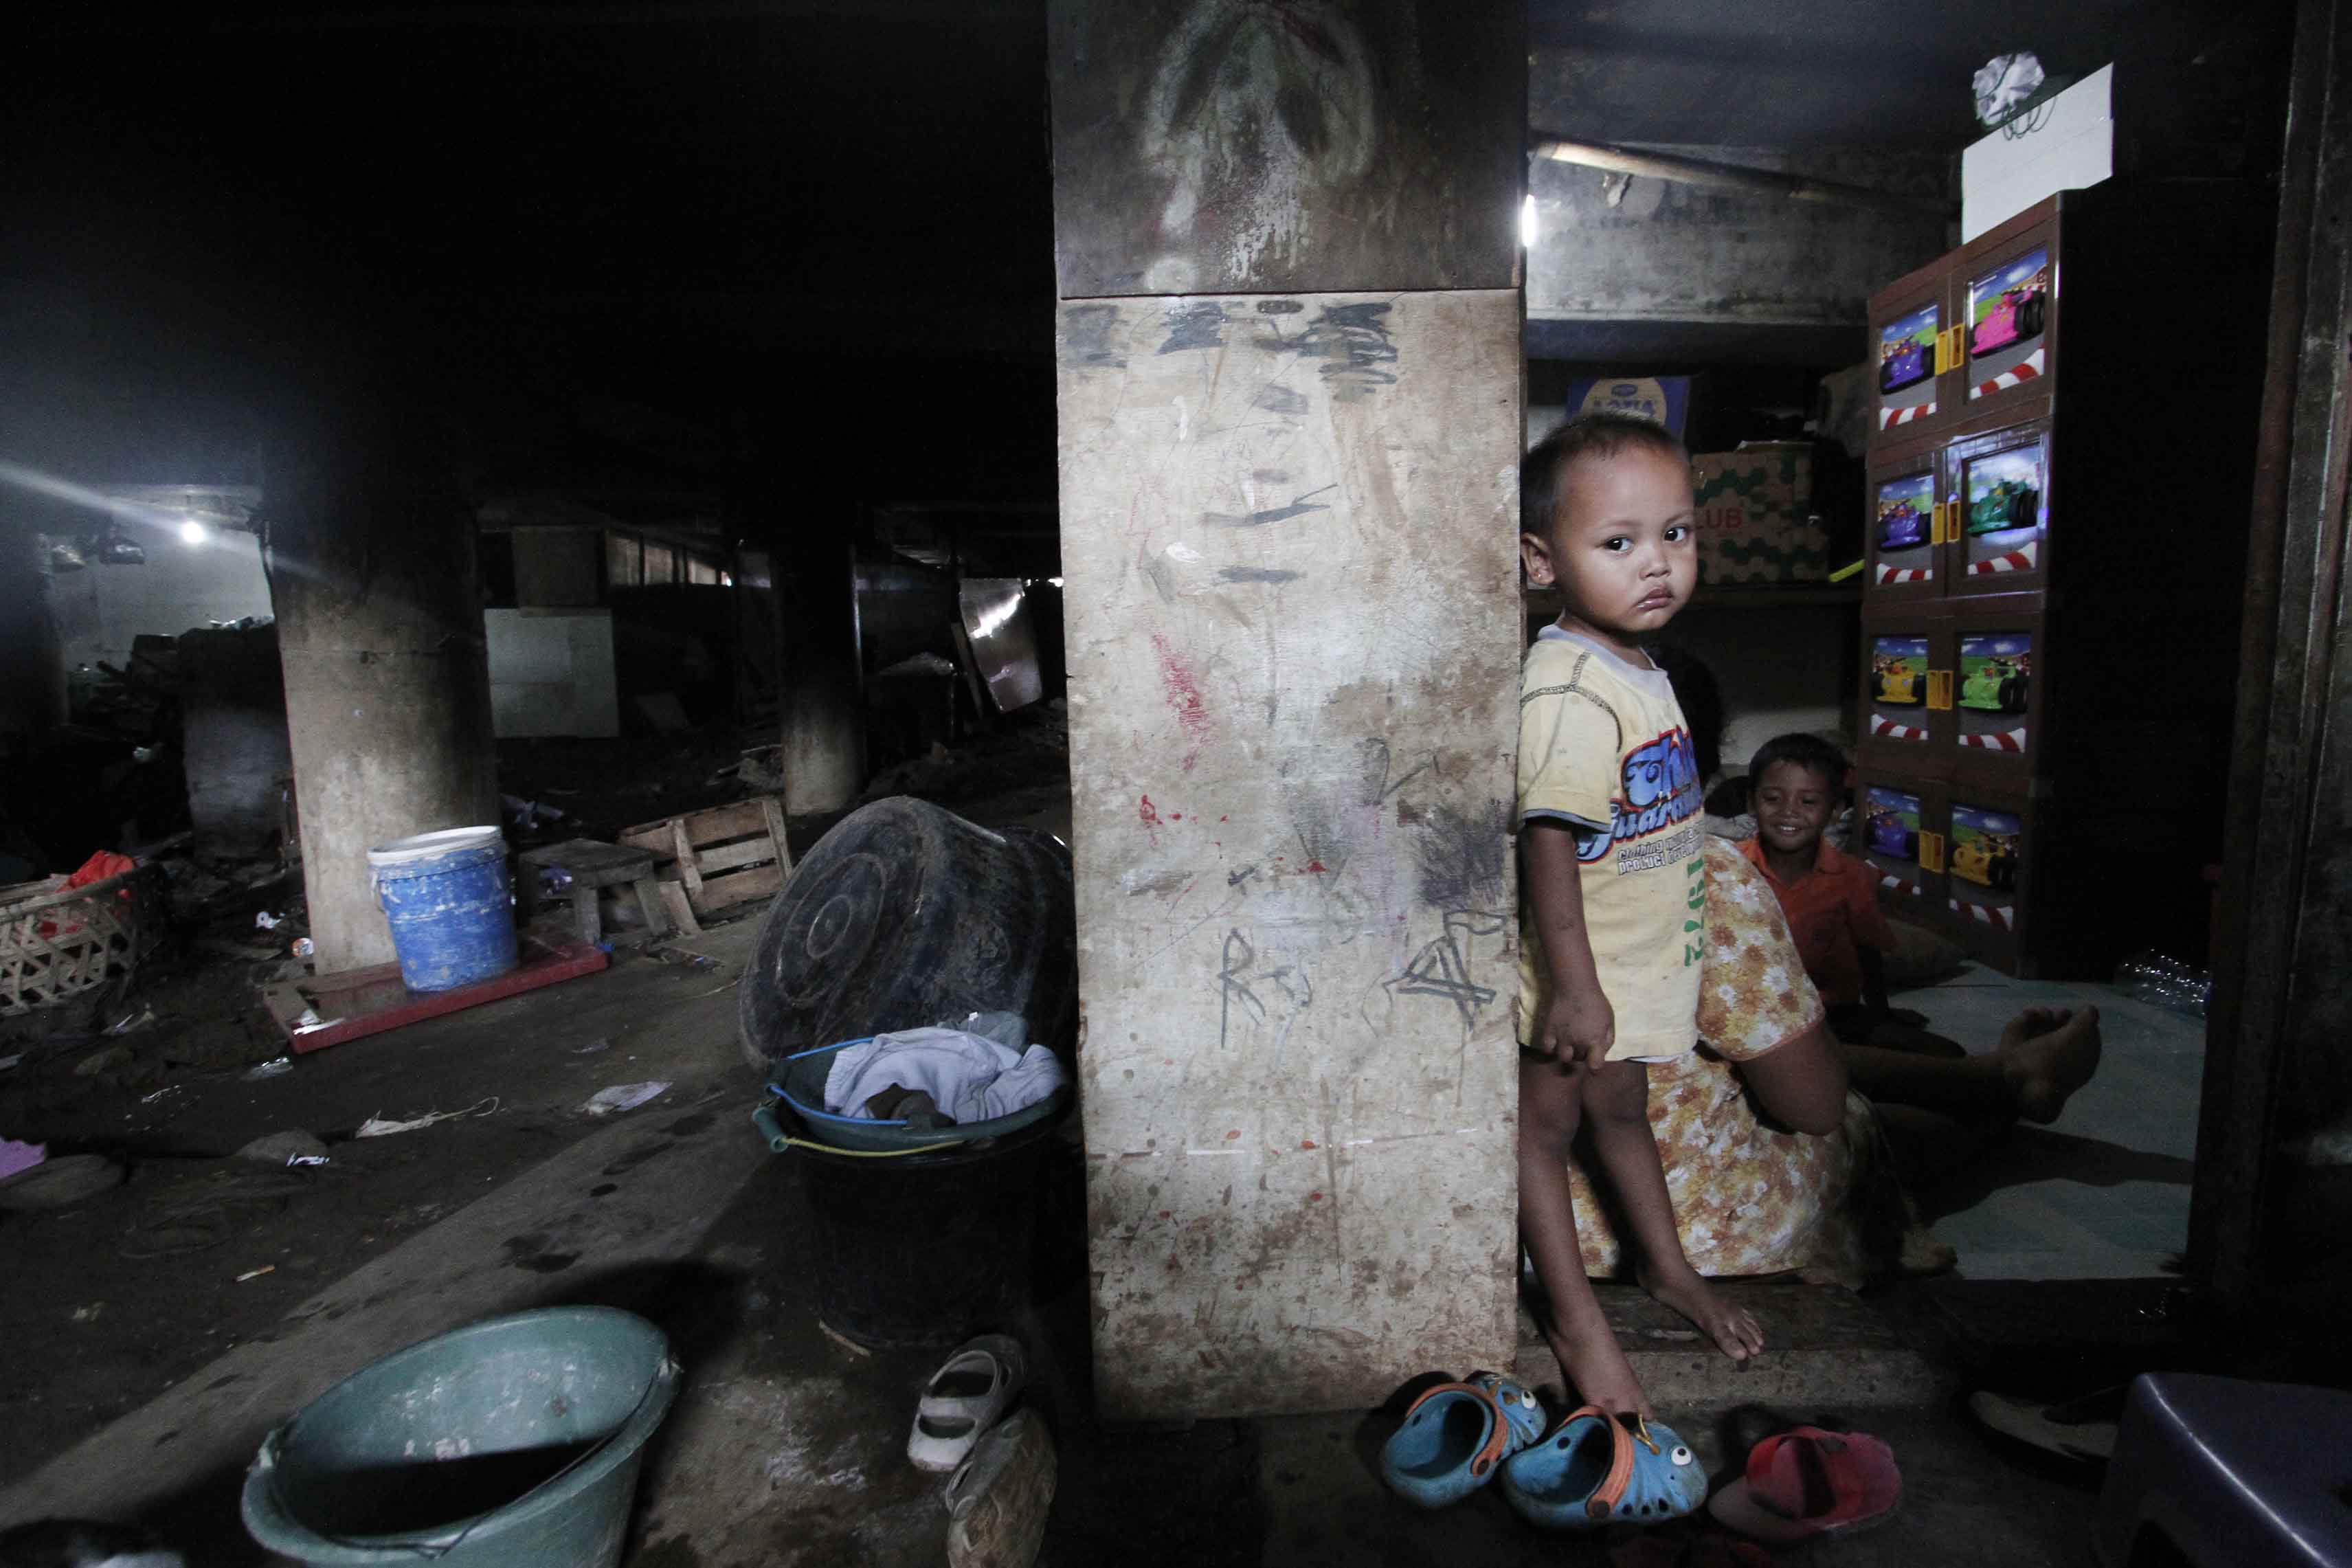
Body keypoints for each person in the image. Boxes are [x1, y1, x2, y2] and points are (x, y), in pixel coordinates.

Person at [1566, 835, 2107, 1285]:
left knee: (1761, 1049)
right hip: (1704, 1223)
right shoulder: (1696, 871)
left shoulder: (1515, 875)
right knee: (1859, 1121)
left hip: (1545, 1231)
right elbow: (1814, 1106)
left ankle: (2000, 1075)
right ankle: (2005, 1087)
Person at [1514, 413, 1756, 1420]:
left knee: (1620, 1113)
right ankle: (1573, 1318)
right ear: (1540, 560)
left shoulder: (1638, 663)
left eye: (1675, 533)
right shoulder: (1569, 685)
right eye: (1616, 543)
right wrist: (1573, 986)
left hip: (1628, 973)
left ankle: (1666, 1269)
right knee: (1540, 1128)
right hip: (1579, 983)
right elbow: (1546, 838)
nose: (1654, 564)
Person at [1738, 732, 1912, 1043]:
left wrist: (1881, 1014)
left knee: (1934, 1053)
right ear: (1752, 802)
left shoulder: (1852, 876)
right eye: (1773, 799)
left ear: (1834, 810)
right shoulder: (1729, 867)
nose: (1789, 811)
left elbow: (1868, 951)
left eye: (1808, 802)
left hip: (1831, 1011)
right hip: (1753, 1008)